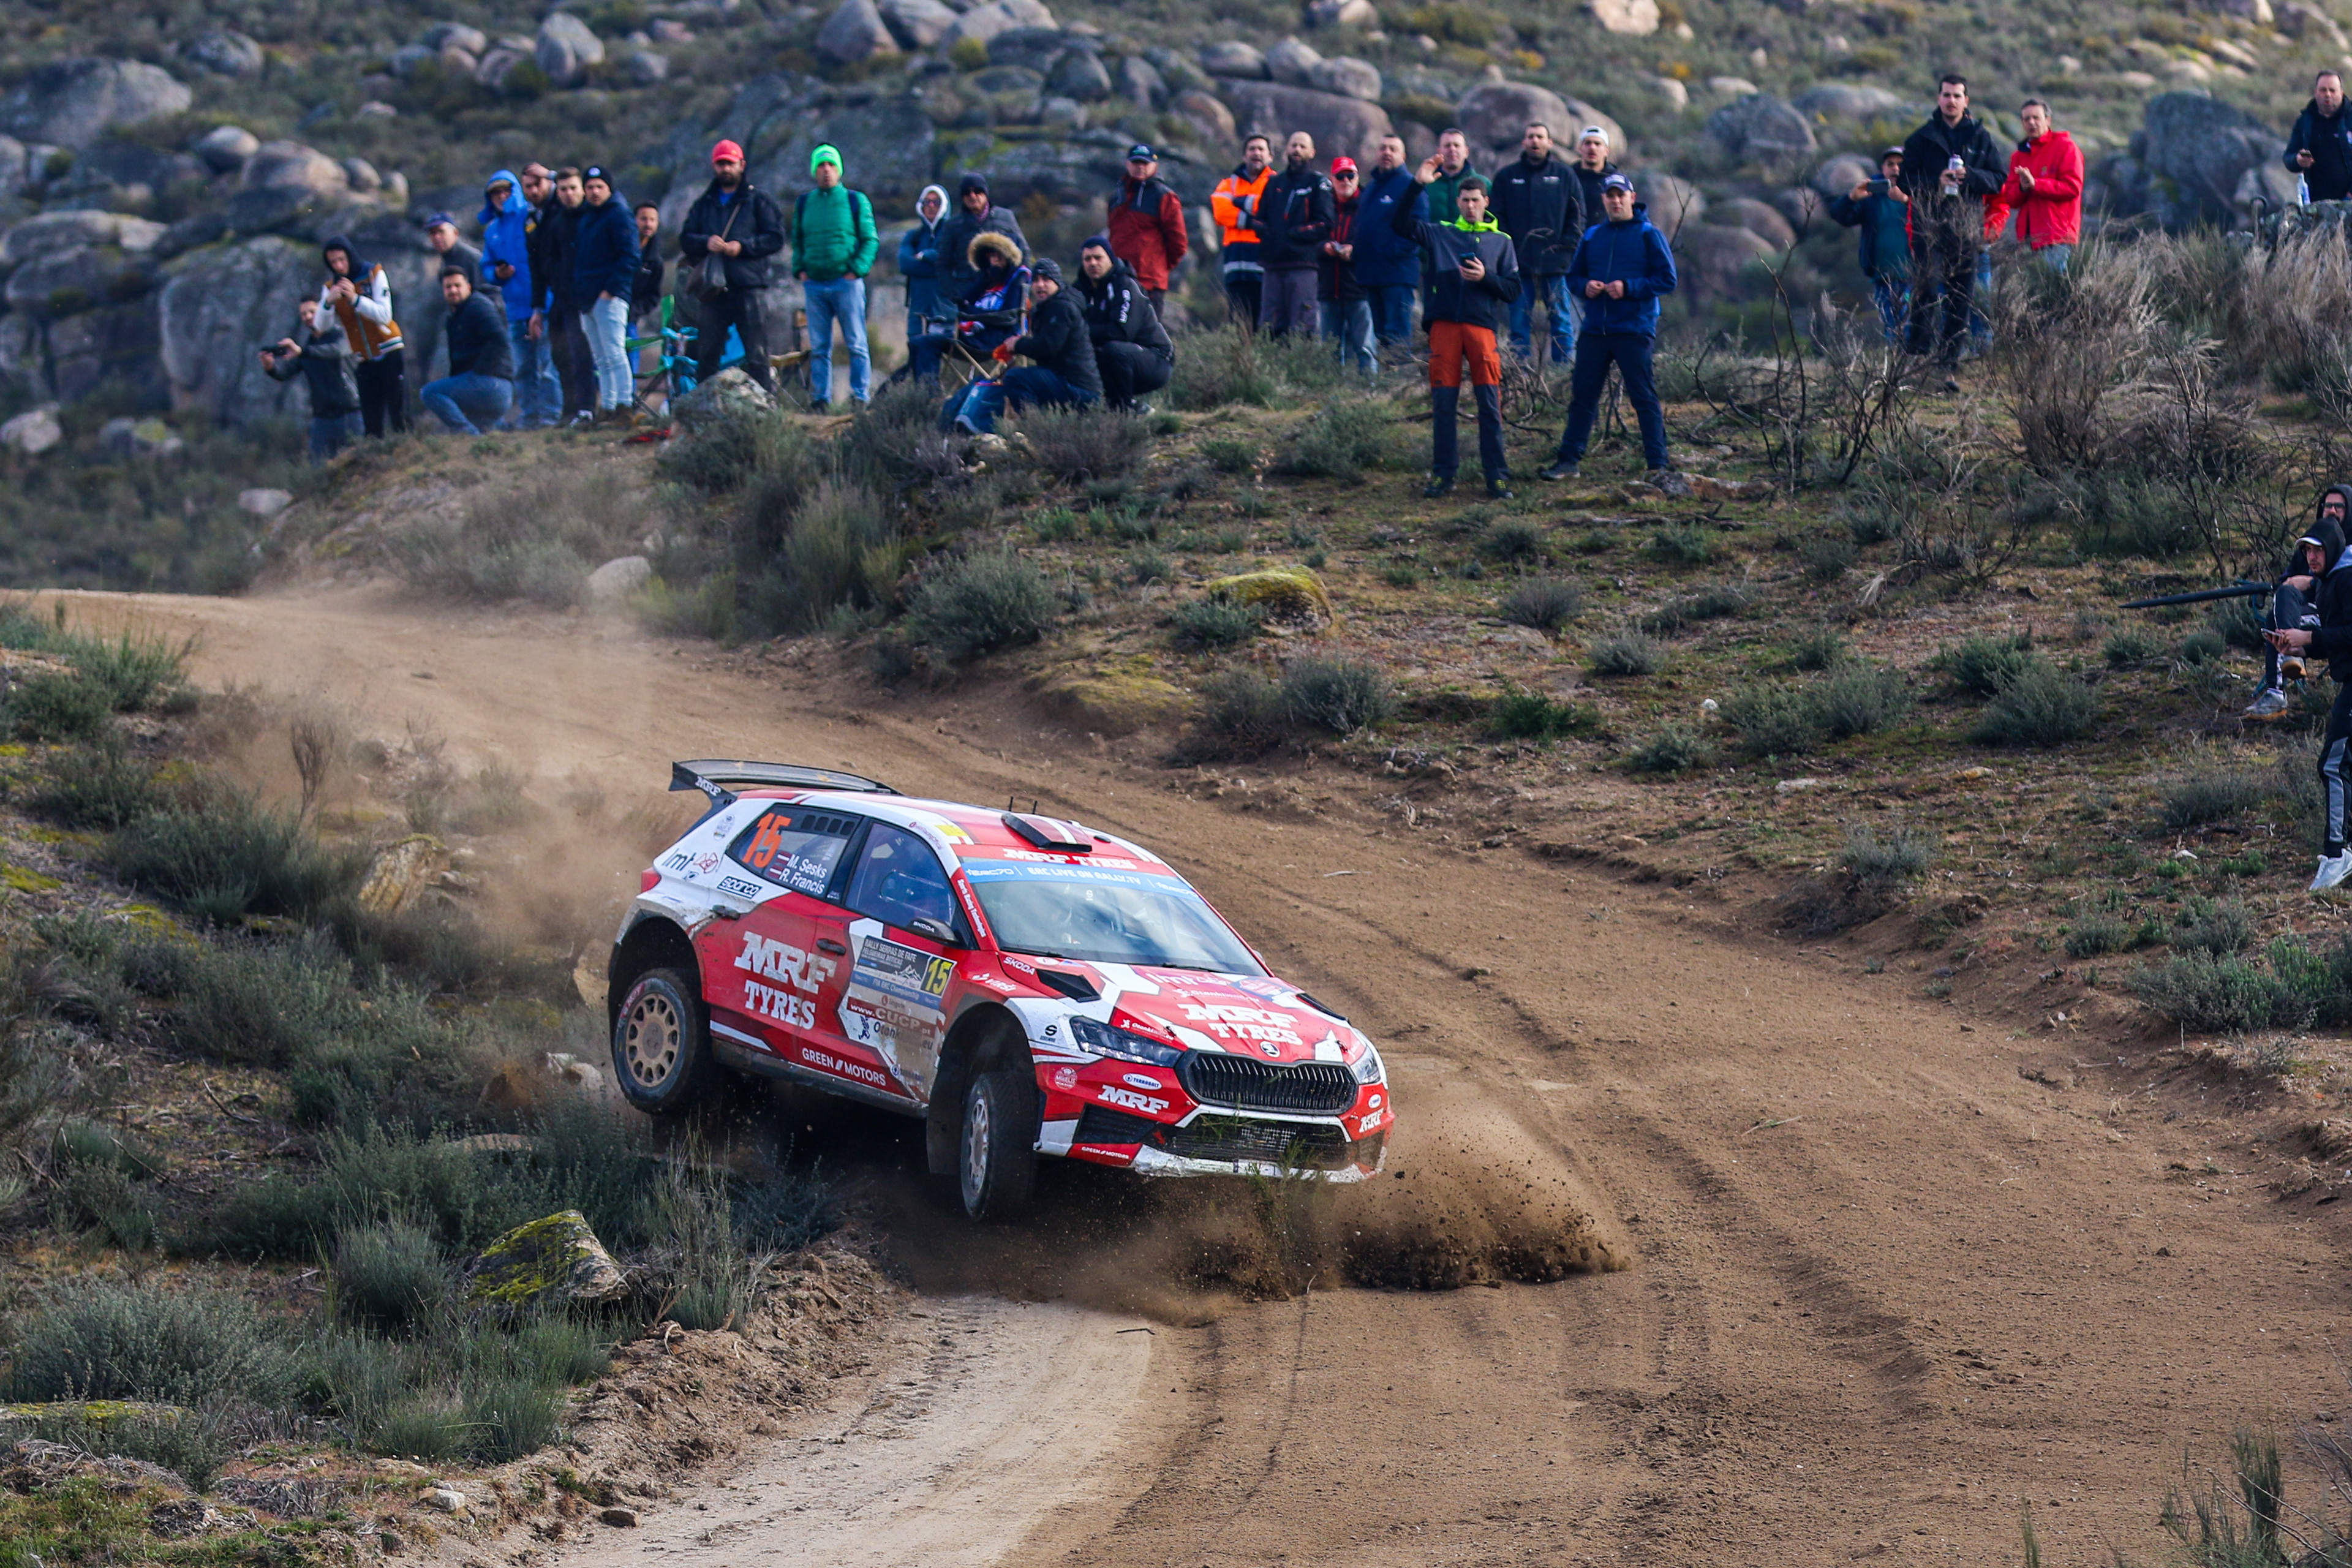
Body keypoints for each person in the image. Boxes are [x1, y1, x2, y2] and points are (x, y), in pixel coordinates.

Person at [1391, 156, 1520, 499]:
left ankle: (1497, 477)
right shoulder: (1441, 233)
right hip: (1444, 327)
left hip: (1482, 329)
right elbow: (1400, 224)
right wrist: (1417, 183)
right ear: (1458, 203)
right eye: (1464, 201)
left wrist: (1486, 278)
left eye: (1476, 200)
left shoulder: (1502, 242)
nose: (1470, 206)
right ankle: (1443, 476)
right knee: (1444, 405)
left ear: (1485, 203)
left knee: (1489, 404)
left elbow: (1513, 290)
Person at [1541, 173, 1679, 483]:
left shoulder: (1648, 234)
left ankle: (1658, 465)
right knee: (1583, 396)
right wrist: (1585, 286)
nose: (1615, 201)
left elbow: (1667, 279)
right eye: (1610, 196)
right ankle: (1568, 462)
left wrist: (1628, 287)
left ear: (1632, 197)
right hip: (1595, 330)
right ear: (1604, 199)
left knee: (1643, 397)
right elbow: (1573, 277)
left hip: (1633, 329)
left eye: (1621, 195)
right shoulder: (1592, 236)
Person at [2268, 490, 2352, 889]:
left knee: (2332, 765)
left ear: (2333, 548)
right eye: (2307, 552)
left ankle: (2336, 855)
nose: (2312, 558)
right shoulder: (2331, 581)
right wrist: (2296, 644)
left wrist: (2309, 636)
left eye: (2318, 550)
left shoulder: (2348, 579)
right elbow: (2337, 640)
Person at [1898, 75, 2005, 379]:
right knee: (1926, 291)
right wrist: (1937, 182)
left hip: (1966, 226)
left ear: (1966, 101)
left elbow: (1999, 178)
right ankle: (1917, 358)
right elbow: (1905, 181)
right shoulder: (1920, 139)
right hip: (1927, 224)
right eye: (1946, 95)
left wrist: (1969, 175)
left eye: (1957, 96)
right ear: (1938, 98)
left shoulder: (1981, 138)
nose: (1951, 101)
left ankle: (1949, 363)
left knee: (1961, 297)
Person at [679, 139, 787, 395]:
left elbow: (776, 238)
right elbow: (686, 239)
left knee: (757, 354)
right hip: (713, 291)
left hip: (749, 287)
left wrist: (743, 247)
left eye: (730, 163)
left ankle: (765, 412)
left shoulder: (759, 200)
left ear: (742, 165)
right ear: (714, 167)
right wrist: (706, 242)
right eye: (720, 164)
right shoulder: (703, 204)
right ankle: (704, 411)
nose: (725, 168)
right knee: (707, 356)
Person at [954, 258, 1100, 434]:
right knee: (1019, 378)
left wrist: (1018, 344)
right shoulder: (1045, 308)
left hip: (1079, 387)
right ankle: (1042, 427)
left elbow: (1048, 348)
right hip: (1064, 380)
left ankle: (1034, 431)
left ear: (1057, 282)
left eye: (1046, 279)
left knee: (1017, 378)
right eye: (1036, 280)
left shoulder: (1063, 307)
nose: (1040, 285)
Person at [1489, 122, 1582, 366]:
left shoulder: (1565, 175)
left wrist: (1568, 246)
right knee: (1519, 324)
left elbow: (1577, 214)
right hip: (1519, 264)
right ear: (1524, 142)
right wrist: (1507, 252)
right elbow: (1495, 217)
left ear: (1550, 143)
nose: (1535, 141)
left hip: (1557, 263)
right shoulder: (1507, 177)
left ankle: (1564, 375)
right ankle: (1521, 377)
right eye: (1530, 137)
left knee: (1562, 322)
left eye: (1540, 137)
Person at [794, 143, 878, 412]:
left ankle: (860, 397)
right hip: (815, 285)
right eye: (821, 165)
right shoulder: (805, 203)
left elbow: (870, 240)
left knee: (856, 343)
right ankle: (821, 399)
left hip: (847, 283)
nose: (826, 170)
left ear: (839, 169)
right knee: (819, 347)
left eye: (831, 164)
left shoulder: (856, 200)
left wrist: (857, 270)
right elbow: (797, 241)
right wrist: (801, 270)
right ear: (814, 171)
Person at [2247, 499, 2346, 721]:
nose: (2331, 511)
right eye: (2327, 506)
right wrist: (2302, 648)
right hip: (2309, 615)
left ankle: (2276, 691)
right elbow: (2285, 581)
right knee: (2283, 599)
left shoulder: (2346, 578)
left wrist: (2311, 583)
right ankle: (2290, 655)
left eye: (2338, 506)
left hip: (2329, 622)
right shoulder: (2315, 546)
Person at [480, 168, 555, 429]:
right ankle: (530, 417)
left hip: (544, 303)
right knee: (523, 369)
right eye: (495, 193)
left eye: (506, 190)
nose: (501, 196)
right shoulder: (492, 232)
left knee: (548, 366)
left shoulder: (531, 216)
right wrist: (497, 274)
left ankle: (551, 417)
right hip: (514, 309)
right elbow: (486, 267)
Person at [317, 235, 407, 436]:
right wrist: (328, 304)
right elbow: (321, 326)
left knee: (399, 413)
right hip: (363, 357)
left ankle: (409, 455)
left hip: (389, 348)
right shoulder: (330, 287)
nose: (339, 266)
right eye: (333, 263)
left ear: (350, 256)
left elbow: (385, 315)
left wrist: (355, 300)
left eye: (342, 260)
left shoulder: (373, 273)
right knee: (371, 421)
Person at [572, 166, 641, 422]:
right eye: (589, 187)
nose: (594, 192)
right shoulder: (588, 218)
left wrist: (610, 291)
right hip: (587, 299)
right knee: (601, 358)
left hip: (609, 297)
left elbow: (630, 256)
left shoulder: (619, 215)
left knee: (614, 353)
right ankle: (609, 407)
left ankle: (624, 405)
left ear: (609, 189)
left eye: (599, 187)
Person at [1985, 100, 2084, 274]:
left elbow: (2073, 187)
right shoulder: (2019, 156)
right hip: (2029, 240)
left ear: (2048, 120)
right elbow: (2011, 199)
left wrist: (2036, 184)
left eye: (2036, 118)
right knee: (2035, 292)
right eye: (2026, 119)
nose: (2031, 123)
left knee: (2053, 290)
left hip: (2057, 237)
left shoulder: (2066, 148)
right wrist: (2024, 188)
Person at [1077, 235, 1173, 411]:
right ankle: (1097, 410)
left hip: (1155, 359)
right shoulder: (1081, 290)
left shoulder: (1126, 286)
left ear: (1111, 260)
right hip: (1117, 357)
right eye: (1087, 259)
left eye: (1098, 258)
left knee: (1114, 350)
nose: (1093, 263)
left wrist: (1081, 331)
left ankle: (1124, 410)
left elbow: (1121, 333)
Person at [260, 298, 363, 461]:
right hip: (322, 418)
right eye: (303, 314)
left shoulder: (341, 336)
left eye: (312, 312)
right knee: (320, 471)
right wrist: (270, 368)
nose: (307, 317)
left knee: (359, 463)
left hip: (349, 413)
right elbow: (285, 373)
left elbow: (336, 351)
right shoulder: (306, 346)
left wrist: (302, 352)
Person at [1829, 146, 1912, 344]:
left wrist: (1907, 200)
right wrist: (1851, 199)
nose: (1895, 169)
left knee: (1913, 327)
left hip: (1915, 276)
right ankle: (1897, 371)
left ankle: (1916, 367)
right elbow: (1841, 217)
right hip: (1884, 276)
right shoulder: (1871, 197)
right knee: (1892, 327)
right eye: (1890, 164)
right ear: (1882, 168)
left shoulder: (1918, 191)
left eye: (1901, 165)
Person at [420, 266, 516, 434]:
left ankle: (468, 436)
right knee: (487, 436)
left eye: (458, 285)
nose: (453, 290)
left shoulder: (478, 307)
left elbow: (500, 340)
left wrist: (481, 371)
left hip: (491, 384)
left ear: (469, 287)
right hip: (494, 389)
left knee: (430, 393)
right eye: (448, 287)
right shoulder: (458, 314)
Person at [530, 167, 592, 423]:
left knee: (584, 356)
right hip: (561, 298)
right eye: (564, 189)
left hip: (588, 298)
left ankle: (590, 409)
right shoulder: (554, 222)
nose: (568, 194)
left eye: (573, 189)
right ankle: (570, 411)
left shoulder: (592, 217)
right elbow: (542, 263)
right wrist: (538, 305)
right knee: (561, 357)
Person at [1257, 132, 1333, 340]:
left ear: (1311, 152)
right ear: (1287, 149)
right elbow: (1259, 218)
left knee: (1302, 330)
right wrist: (1267, 234)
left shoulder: (1318, 183)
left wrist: (1294, 234)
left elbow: (1325, 223)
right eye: (1293, 146)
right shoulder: (1274, 183)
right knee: (1269, 329)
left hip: (1303, 266)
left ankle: (1301, 372)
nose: (1297, 150)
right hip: (1273, 266)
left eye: (1302, 146)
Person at [1354, 134, 1425, 352]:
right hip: (1371, 274)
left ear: (1403, 156)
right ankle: (1385, 383)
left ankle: (1400, 383)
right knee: (1380, 336)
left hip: (1397, 273)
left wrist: (1390, 252)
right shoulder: (1372, 187)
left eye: (1393, 149)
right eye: (1383, 148)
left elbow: (1418, 228)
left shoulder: (1410, 186)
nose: (1387, 152)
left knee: (1398, 335)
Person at [1105, 144, 1188, 315]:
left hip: (1149, 284)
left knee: (1148, 336)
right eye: (1136, 162)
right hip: (1118, 280)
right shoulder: (1116, 197)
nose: (1140, 166)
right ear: (1127, 164)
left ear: (1155, 166)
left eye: (1145, 163)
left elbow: (1179, 243)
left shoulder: (1165, 197)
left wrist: (1157, 267)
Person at [935, 173, 1030, 309]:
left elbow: (1023, 252)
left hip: (1002, 294)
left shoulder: (1005, 217)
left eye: (978, 191)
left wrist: (1021, 285)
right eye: (967, 193)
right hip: (968, 296)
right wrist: (955, 294)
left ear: (986, 194)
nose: (973, 196)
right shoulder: (953, 226)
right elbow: (942, 264)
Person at [1318, 157, 1374, 376]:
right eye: (1340, 176)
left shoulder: (1368, 205)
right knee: (1329, 351)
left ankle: (1370, 394)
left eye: (1350, 176)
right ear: (1333, 179)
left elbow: (1375, 240)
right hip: (1328, 287)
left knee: (1365, 347)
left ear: (1357, 177)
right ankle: (1329, 397)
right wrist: (1324, 247)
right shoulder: (1322, 206)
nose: (1345, 181)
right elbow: (1308, 239)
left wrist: (1355, 250)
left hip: (1359, 287)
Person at [1210, 135, 1274, 329]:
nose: (1257, 153)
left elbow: (1273, 209)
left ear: (1270, 156)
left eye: (1261, 149)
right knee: (1240, 328)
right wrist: (1253, 221)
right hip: (1236, 267)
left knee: (1266, 327)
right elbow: (1221, 212)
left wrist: (1240, 202)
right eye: (1252, 149)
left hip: (1267, 267)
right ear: (1244, 155)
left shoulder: (1277, 183)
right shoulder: (1228, 183)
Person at [1420, 128, 1474, 328]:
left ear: (1466, 151)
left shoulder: (1481, 185)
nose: (1452, 150)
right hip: (1433, 269)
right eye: (1447, 145)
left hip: (1471, 269)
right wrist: (1422, 254)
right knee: (1435, 325)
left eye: (1457, 145)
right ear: (1439, 151)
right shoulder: (1427, 185)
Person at [2288, 70, 2352, 203]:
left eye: (2332, 90)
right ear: (2316, 92)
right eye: (2323, 90)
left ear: (2342, 93)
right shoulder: (2305, 121)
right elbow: (2288, 157)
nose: (2327, 95)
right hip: (2315, 204)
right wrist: (2298, 160)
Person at [900, 184, 951, 347]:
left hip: (944, 310)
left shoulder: (952, 233)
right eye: (926, 202)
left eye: (936, 202)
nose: (930, 206)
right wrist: (934, 264)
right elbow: (905, 264)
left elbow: (949, 260)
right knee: (916, 353)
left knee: (943, 357)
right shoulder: (914, 235)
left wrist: (923, 256)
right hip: (918, 307)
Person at [424, 213, 482, 288]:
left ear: (455, 233)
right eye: (433, 233)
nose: (437, 237)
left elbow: (488, 293)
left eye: (441, 231)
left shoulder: (471, 259)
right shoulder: (446, 259)